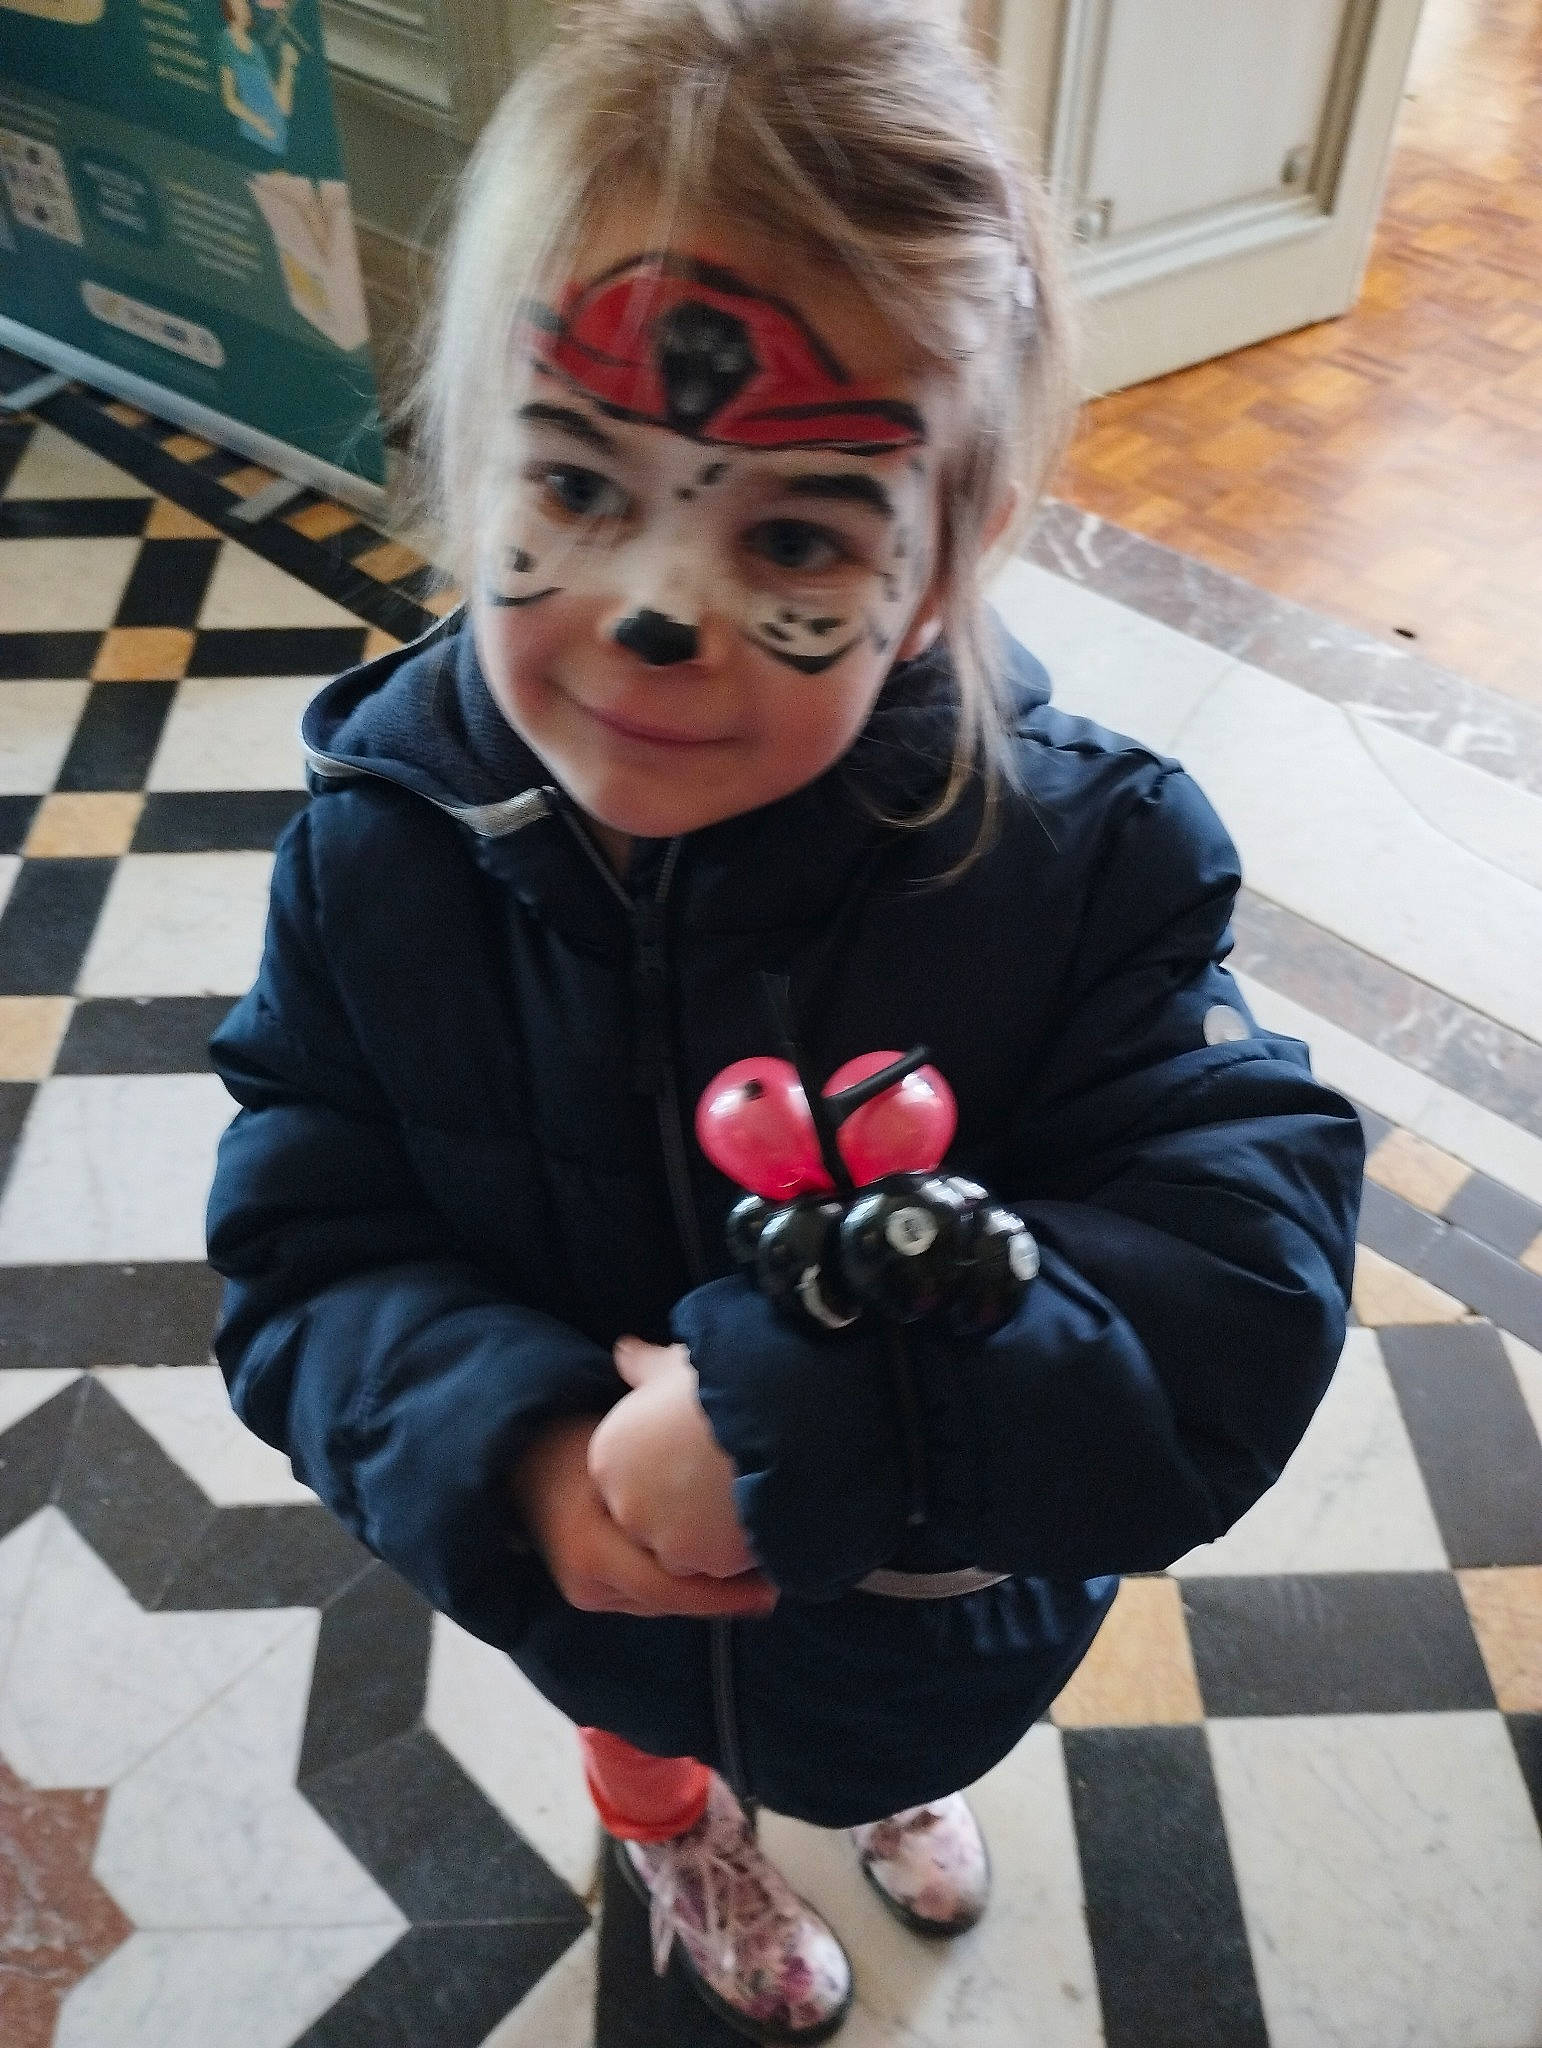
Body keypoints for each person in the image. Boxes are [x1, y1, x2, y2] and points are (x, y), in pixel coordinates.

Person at [205, 3, 1363, 2040]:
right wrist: (537, 1459)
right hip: (601, 1616)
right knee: (643, 1740)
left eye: (799, 535)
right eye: (573, 479)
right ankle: (675, 1830)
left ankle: (877, 1779)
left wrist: (799, 1409)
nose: (658, 609)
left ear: (943, 570)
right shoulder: (384, 845)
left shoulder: (1088, 865)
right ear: (471, 444)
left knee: (881, 1725)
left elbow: (1234, 1286)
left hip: (931, 1603)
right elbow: (305, 1251)